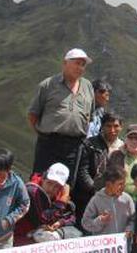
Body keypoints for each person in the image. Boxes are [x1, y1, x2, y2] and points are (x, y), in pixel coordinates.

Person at [27, 48, 95, 181]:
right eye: (77, 63)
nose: (80, 67)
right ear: (65, 63)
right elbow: (33, 115)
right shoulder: (48, 85)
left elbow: (89, 116)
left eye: (83, 64)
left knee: (66, 184)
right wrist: (44, 134)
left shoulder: (88, 87)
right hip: (49, 143)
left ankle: (60, 202)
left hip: (74, 146)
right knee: (40, 179)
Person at [13, 163, 81, 244]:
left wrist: (60, 222)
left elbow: (72, 218)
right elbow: (44, 219)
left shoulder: (59, 194)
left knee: (76, 234)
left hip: (39, 233)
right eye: (49, 183)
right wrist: (62, 200)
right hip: (20, 237)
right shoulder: (32, 191)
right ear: (43, 179)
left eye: (57, 186)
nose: (51, 188)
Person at [82, 166, 134, 236]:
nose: (123, 187)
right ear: (109, 184)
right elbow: (85, 223)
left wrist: (129, 229)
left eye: (124, 183)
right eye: (120, 184)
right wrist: (100, 220)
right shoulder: (96, 200)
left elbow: (133, 219)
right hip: (104, 244)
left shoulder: (127, 199)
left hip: (123, 243)